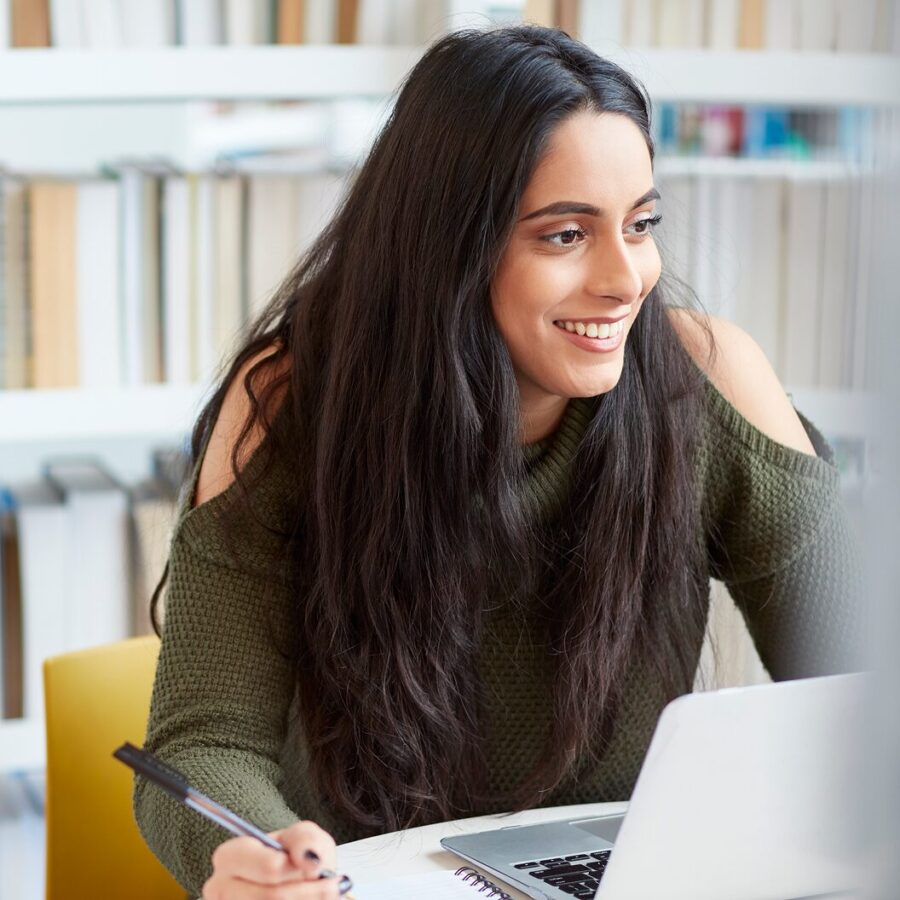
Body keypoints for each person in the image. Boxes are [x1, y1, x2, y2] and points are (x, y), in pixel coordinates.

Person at [134, 24, 865, 899]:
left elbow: (861, 683)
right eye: (564, 235)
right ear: (450, 245)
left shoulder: (708, 377)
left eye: (641, 225)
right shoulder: (292, 402)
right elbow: (203, 740)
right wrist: (246, 854)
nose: (625, 278)